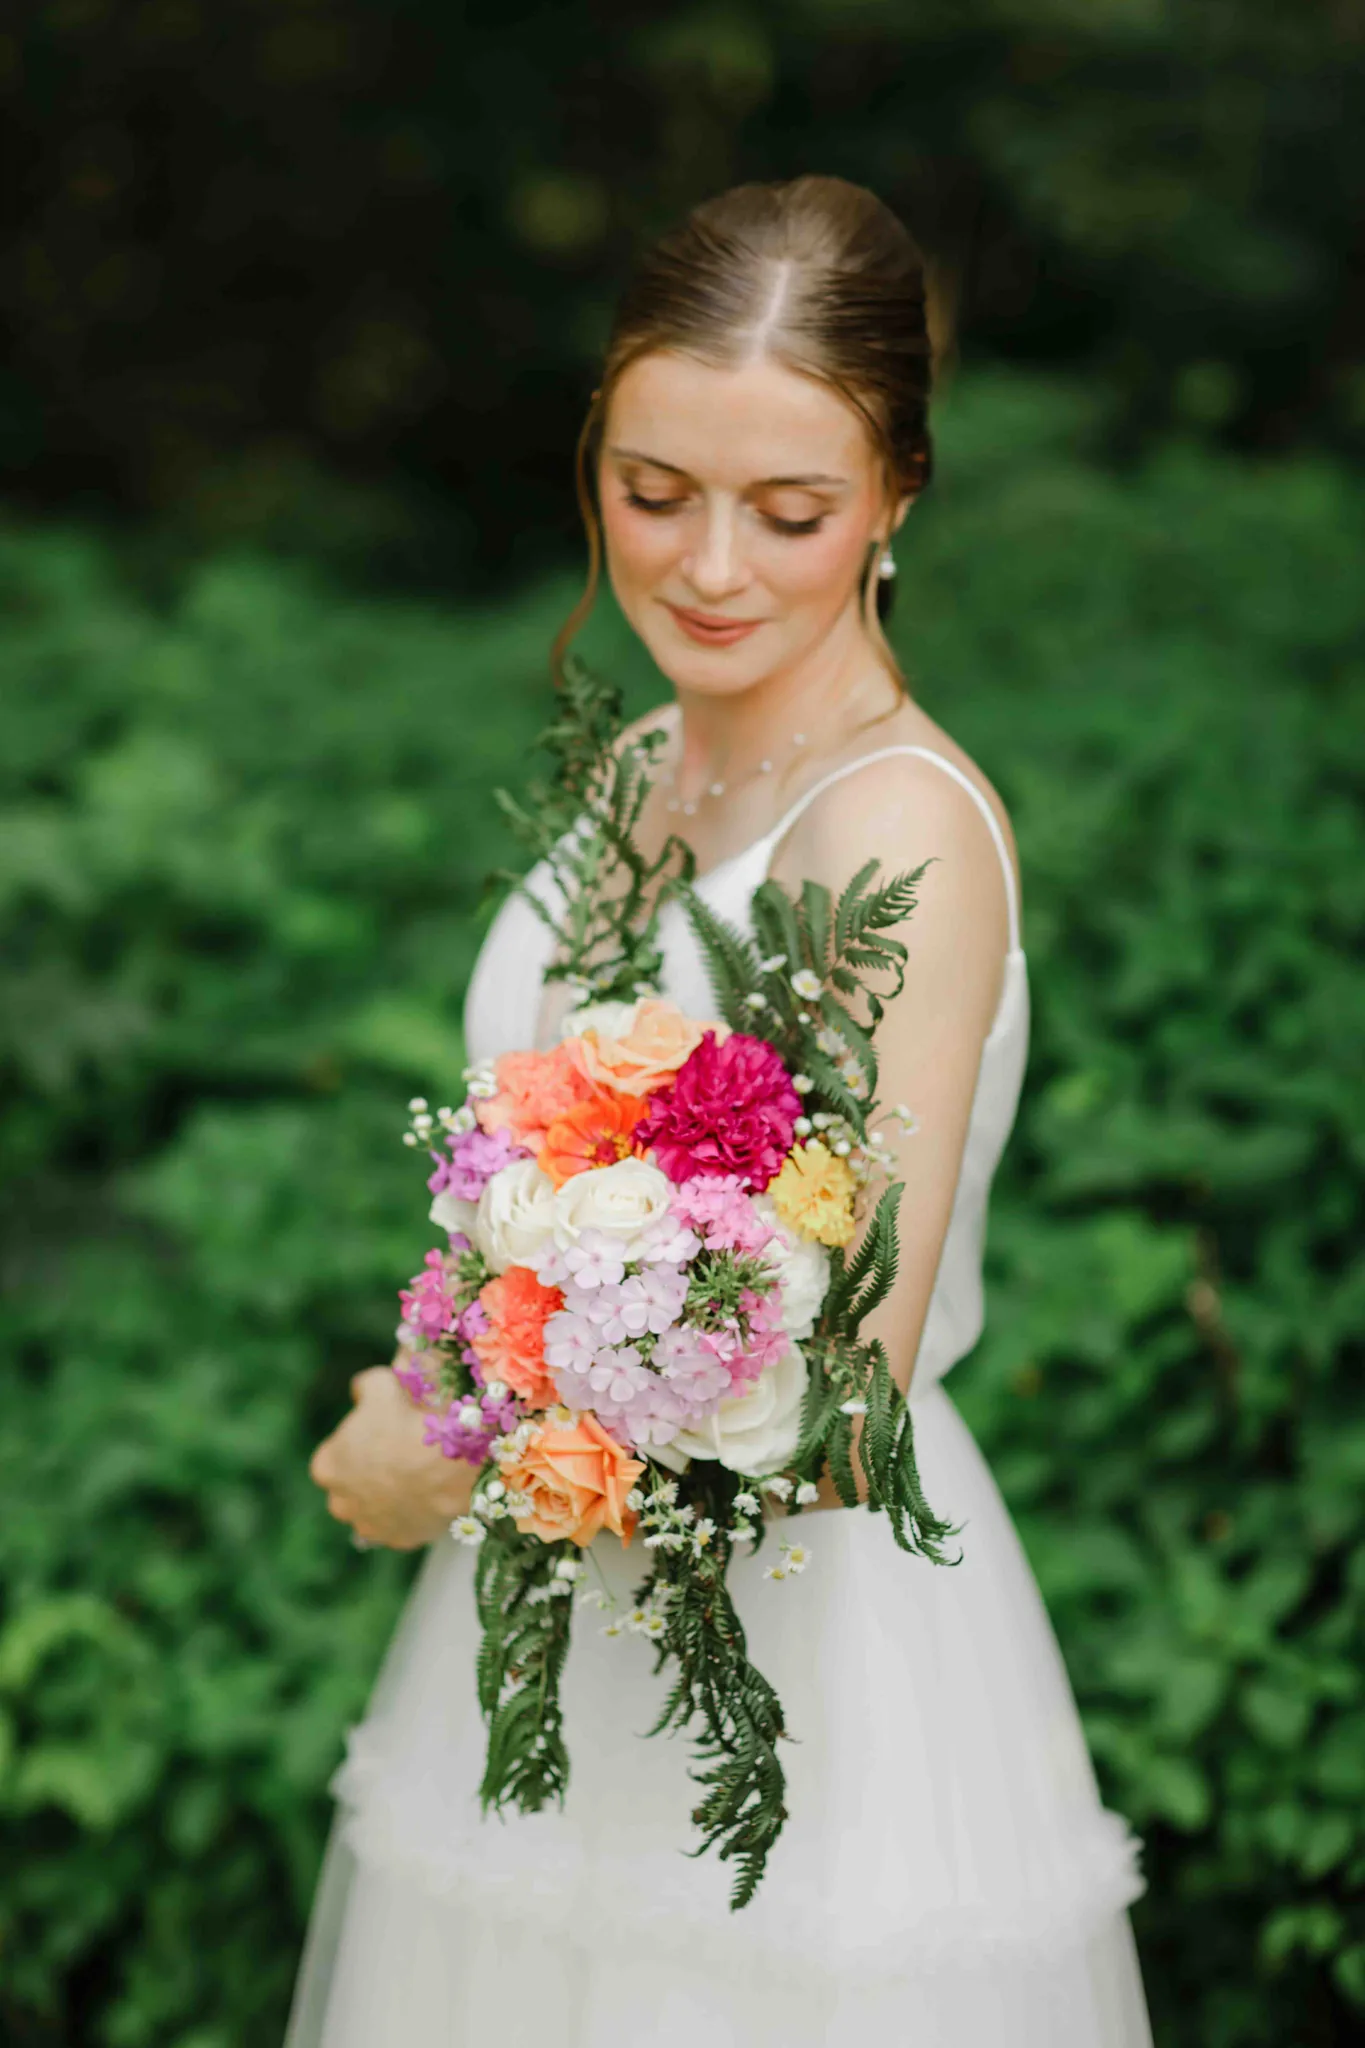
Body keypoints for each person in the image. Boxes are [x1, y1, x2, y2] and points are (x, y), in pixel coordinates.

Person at [290, 175, 1152, 2047]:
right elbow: (530, 1191)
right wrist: (465, 1370)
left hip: (801, 1683)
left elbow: (844, 1392)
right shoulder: (630, 770)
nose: (709, 570)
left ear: (900, 496)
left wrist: (446, 1445)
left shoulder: (891, 831)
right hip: (547, 1637)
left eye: (792, 512)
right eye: (653, 492)